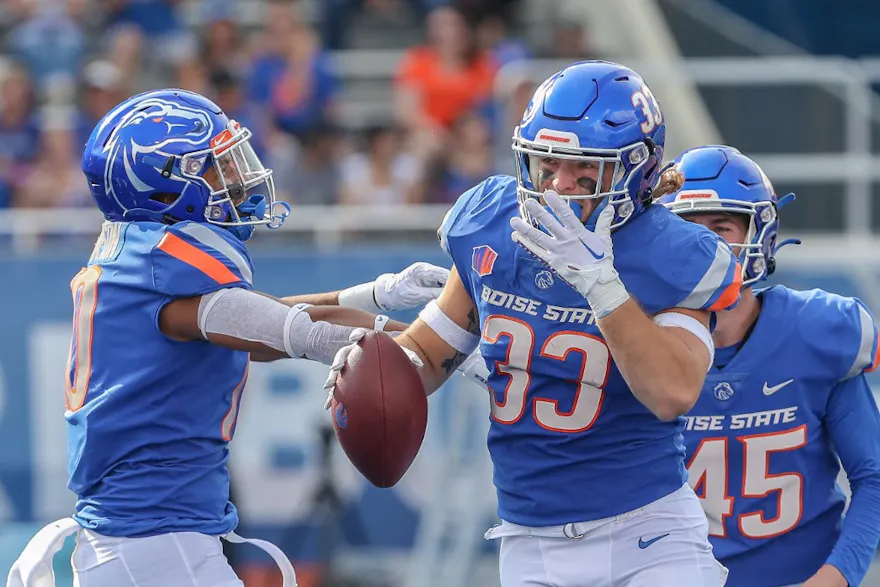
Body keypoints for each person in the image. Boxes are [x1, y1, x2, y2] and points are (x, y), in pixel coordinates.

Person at [325, 60, 740, 587]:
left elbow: (672, 391)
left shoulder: (671, 252)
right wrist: (379, 365)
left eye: (583, 167)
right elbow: (430, 354)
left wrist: (602, 284)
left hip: (648, 533)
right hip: (528, 539)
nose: (559, 185)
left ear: (637, 169)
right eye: (547, 163)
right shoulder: (494, 222)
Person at [6, 89, 442, 587]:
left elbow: (259, 319)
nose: (236, 179)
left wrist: (379, 298)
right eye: (214, 167)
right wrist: (403, 342)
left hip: (149, 543)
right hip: (154, 545)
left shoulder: (139, 263)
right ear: (163, 187)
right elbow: (276, 329)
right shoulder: (157, 264)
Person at [656, 145, 880, 587]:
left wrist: (834, 578)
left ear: (760, 234)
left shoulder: (818, 333)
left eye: (721, 228)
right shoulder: (634, 342)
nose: (705, 248)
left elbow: (873, 476)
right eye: (687, 229)